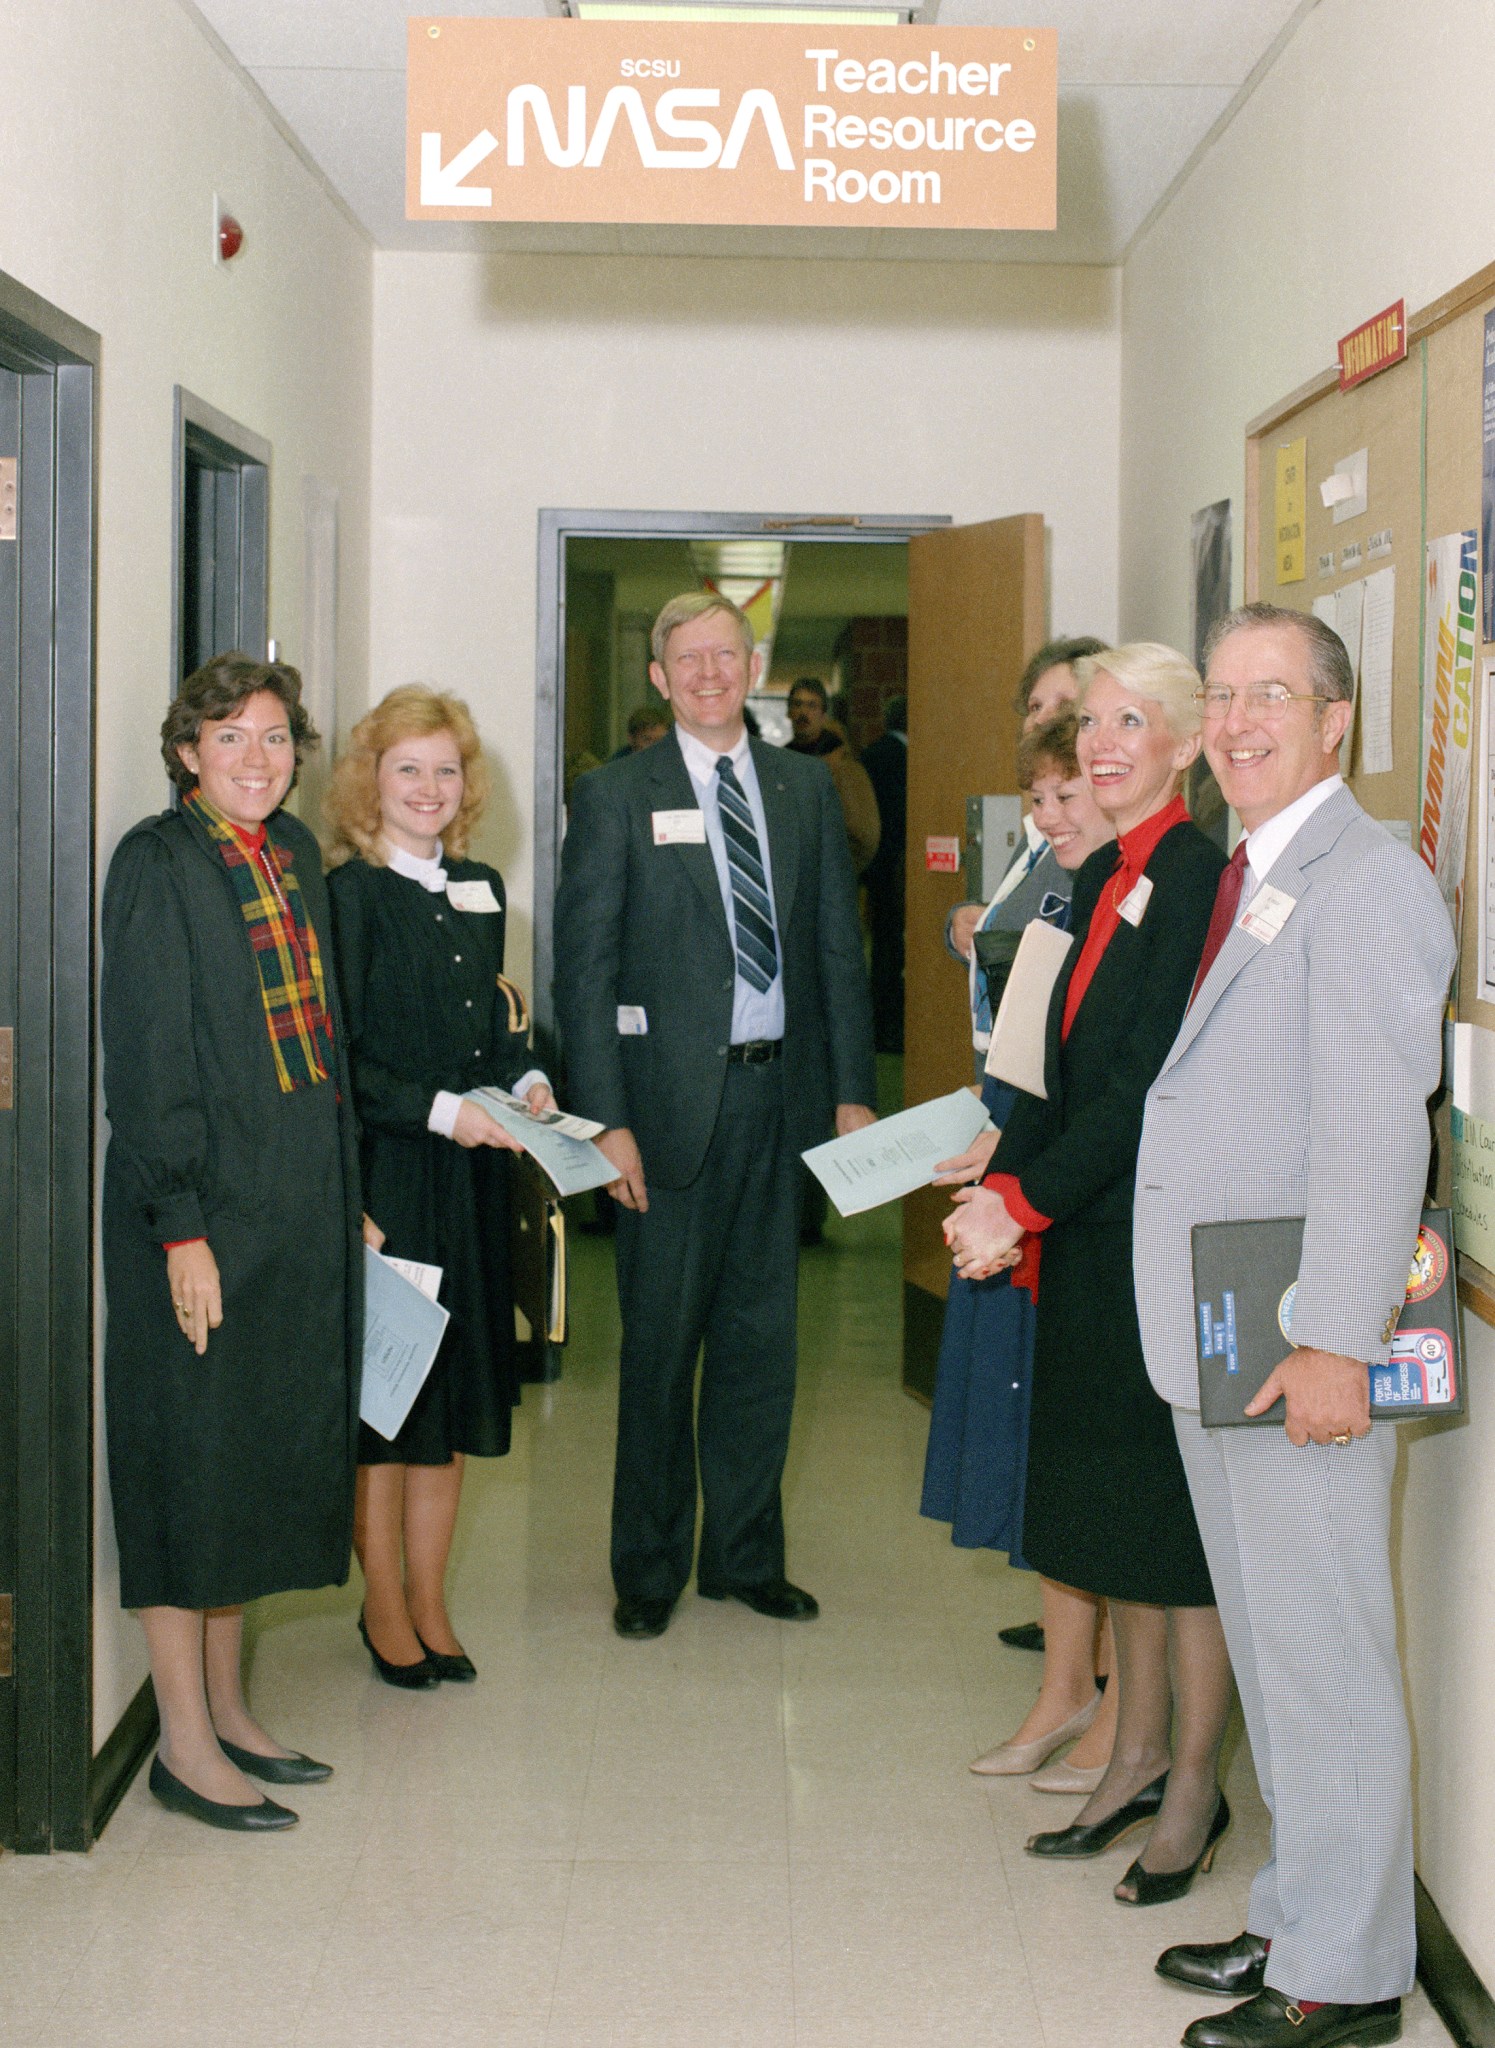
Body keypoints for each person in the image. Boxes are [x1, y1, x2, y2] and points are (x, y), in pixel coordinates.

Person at [1135, 605, 1455, 2048]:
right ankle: (1292, 1916)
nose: (1236, 719)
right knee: (1271, 1641)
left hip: (1296, 1343)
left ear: (1336, 719)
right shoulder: (1259, 873)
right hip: (1227, 1339)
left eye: (1270, 693)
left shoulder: (1366, 883)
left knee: (1319, 1647)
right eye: (1218, 694)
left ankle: (1343, 1976)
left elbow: (1376, 1129)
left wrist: (1335, 1339)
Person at [946, 643, 1235, 1908]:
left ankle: (1188, 1785)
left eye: (1137, 722)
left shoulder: (1185, 873)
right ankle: (1128, 1756)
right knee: (1113, 1519)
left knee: (1170, 1537)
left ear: (1185, 742)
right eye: (1095, 721)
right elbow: (1070, 1074)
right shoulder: (1111, 870)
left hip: (1144, 1242)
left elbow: (1138, 1087)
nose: (1106, 742)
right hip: (1093, 1240)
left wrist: (1021, 1196)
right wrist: (1013, 1163)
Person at [555, 591, 877, 1640]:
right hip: (663, 1113)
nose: (706, 673)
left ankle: (744, 1556)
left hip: (779, 1100)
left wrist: (851, 1085)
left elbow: (836, 942)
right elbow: (584, 968)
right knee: (659, 1347)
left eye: (723, 655)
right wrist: (604, 1120)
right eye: (684, 658)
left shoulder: (801, 787)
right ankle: (647, 1567)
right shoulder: (613, 796)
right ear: (658, 676)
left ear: (752, 666)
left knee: (759, 1342)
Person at [101, 655, 366, 1832]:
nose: (256, 759)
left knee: (250, 1461)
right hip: (200, 1209)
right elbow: (149, 1065)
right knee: (189, 1467)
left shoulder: (296, 853)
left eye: (273, 737)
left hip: (293, 1195)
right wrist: (180, 1230)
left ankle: (231, 1707)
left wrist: (341, 1186)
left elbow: (320, 1040)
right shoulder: (159, 863)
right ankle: (183, 1744)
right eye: (229, 738)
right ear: (185, 753)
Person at [325, 685, 555, 1689]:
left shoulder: (482, 888)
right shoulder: (347, 897)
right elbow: (345, 1062)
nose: (427, 786)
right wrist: (439, 1109)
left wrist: (527, 1076)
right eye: (407, 767)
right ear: (370, 782)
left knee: (452, 1401)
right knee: (390, 1410)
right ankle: (382, 1611)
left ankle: (430, 1601)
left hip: (468, 1180)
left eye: (445, 769)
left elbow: (490, 1031)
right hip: (389, 1177)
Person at [920, 712, 1121, 1793]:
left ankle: (1122, 1708)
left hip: (1083, 1196)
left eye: (1069, 793)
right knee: (1041, 1433)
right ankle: (1065, 1689)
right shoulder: (1056, 891)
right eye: (1038, 799)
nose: (1052, 816)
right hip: (1026, 1165)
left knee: (1092, 1450)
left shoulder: (1148, 889)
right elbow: (1029, 1051)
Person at [947, 638, 1108, 1065]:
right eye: (1035, 708)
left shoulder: (1092, 842)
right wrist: (970, 923)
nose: (1043, 720)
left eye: (1063, 704)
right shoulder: (1042, 833)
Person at [785, 677, 881, 874]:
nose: (803, 713)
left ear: (823, 714)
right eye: (798, 704)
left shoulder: (844, 767)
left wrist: (837, 876)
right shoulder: (780, 763)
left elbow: (864, 835)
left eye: (812, 706)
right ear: (789, 712)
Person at [859, 694, 908, 1055]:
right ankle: (891, 1026)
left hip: (877, 866)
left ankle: (880, 1025)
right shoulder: (916, 760)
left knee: (883, 946)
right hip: (901, 866)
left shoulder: (871, 755)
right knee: (894, 947)